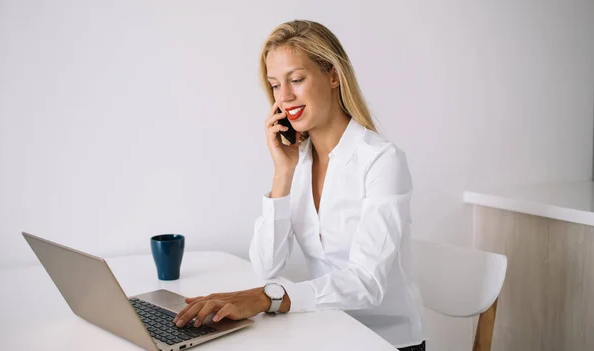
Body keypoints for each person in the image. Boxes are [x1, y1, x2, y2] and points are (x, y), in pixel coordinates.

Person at [173, 19, 426, 350]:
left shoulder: (382, 161)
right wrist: (282, 172)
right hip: (325, 331)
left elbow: (367, 283)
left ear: (333, 75)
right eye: (275, 85)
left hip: (386, 342)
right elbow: (266, 266)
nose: (285, 96)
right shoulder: (299, 160)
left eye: (296, 79)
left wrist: (267, 298)